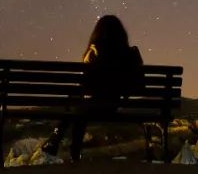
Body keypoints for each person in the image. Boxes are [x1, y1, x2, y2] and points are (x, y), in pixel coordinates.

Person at [40, 14, 144, 161]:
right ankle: (62, 145)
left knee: (77, 106)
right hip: (113, 105)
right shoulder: (130, 53)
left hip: (94, 106)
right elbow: (140, 85)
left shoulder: (96, 55)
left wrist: (87, 61)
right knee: (78, 105)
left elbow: (84, 86)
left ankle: (60, 142)